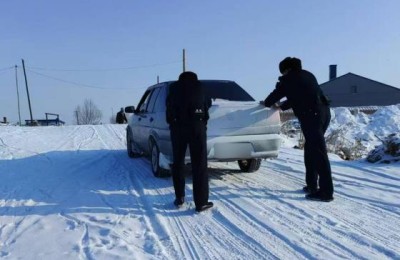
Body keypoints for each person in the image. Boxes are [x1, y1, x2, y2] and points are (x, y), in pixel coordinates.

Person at [262, 57, 334, 202]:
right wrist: (281, 106)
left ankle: (326, 192)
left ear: (287, 70)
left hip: (311, 116)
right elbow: (297, 96)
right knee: (311, 149)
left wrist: (267, 103)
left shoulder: (289, 79)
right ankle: (312, 185)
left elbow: (274, 97)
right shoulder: (308, 75)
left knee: (319, 152)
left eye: (282, 72)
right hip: (324, 113)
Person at [166, 71, 213, 212]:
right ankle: (201, 202)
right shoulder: (201, 87)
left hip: (178, 127)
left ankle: (180, 197)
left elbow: (168, 108)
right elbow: (207, 104)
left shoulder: (173, 88)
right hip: (196, 127)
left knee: (178, 162)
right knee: (199, 163)